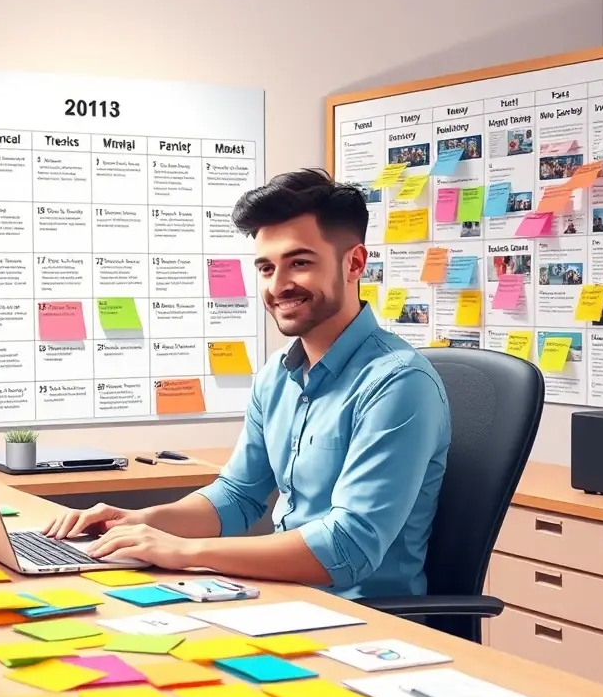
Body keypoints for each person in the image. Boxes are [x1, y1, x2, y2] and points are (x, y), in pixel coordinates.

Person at [44, 169, 452, 599]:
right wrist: (142, 521)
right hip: (281, 597)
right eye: (265, 267)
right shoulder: (277, 374)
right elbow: (238, 495)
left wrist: (183, 551)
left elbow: (348, 548)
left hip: (369, 623)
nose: (278, 286)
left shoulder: (399, 383)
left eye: (299, 263)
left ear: (354, 263)